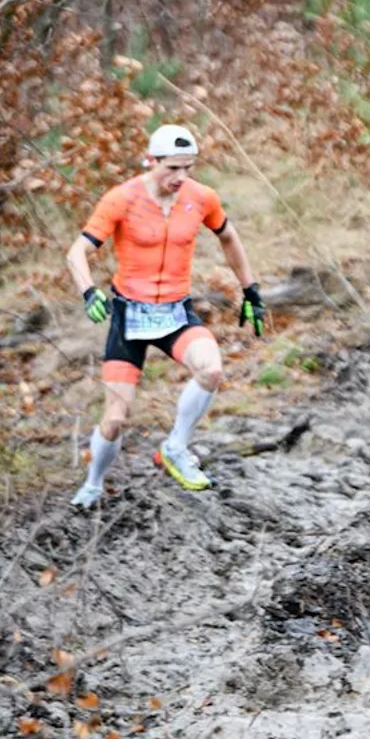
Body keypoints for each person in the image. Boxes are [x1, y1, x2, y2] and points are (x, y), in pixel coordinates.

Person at [65, 124, 268, 508]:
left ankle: (174, 448)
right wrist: (88, 291)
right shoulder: (121, 199)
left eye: (187, 168)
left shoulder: (201, 198)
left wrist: (250, 289)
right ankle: (92, 485)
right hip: (130, 316)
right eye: (172, 168)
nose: (180, 177)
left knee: (211, 369)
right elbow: (76, 253)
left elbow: (228, 236)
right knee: (115, 417)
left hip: (175, 313)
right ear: (150, 161)